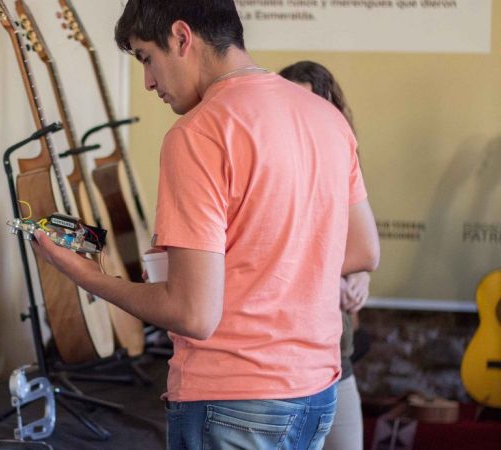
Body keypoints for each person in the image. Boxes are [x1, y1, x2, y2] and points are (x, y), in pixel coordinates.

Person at [32, 1, 380, 449]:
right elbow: (363, 249)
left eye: (146, 58)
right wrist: (255, 266)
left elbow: (191, 314)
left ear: (181, 36)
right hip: (315, 392)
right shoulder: (326, 118)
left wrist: (86, 276)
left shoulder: (198, 133)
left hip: (234, 397)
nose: (149, 82)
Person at [280, 60, 371, 450]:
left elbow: (361, 249)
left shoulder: (341, 163)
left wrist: (358, 276)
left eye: (316, 105)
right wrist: (329, 275)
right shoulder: (267, 166)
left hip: (335, 354)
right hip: (278, 362)